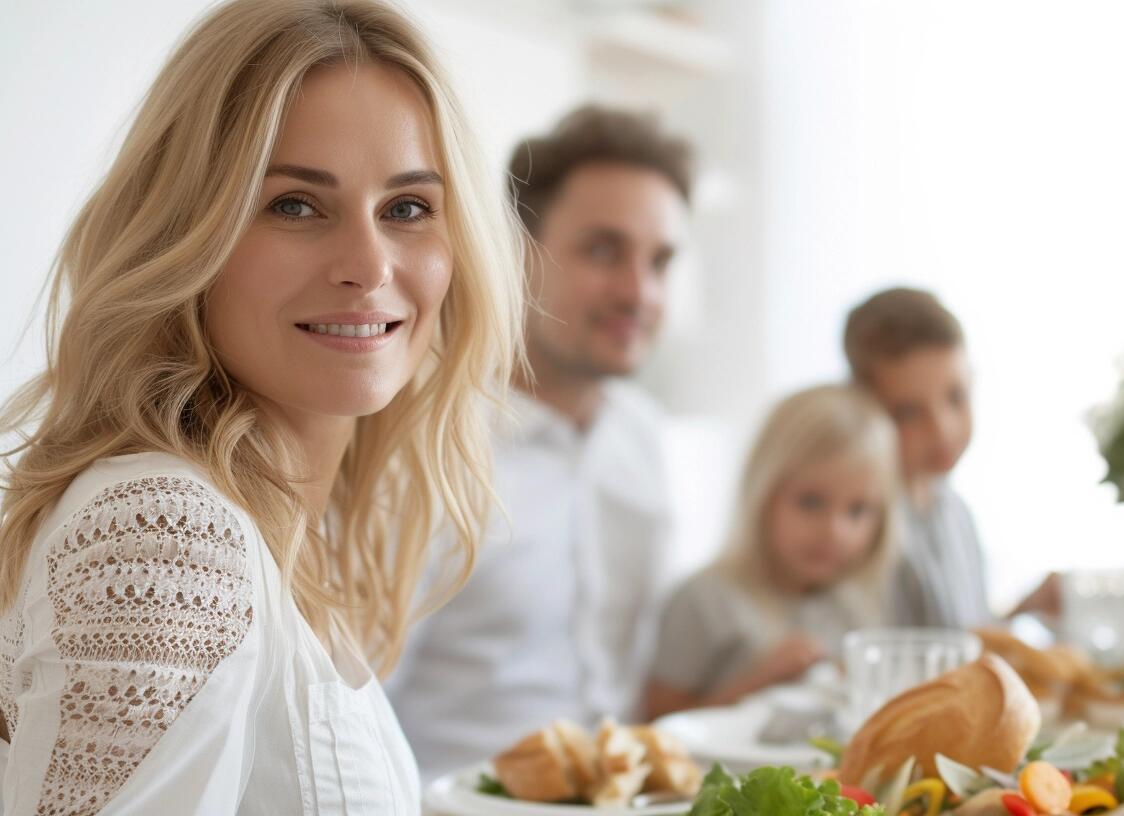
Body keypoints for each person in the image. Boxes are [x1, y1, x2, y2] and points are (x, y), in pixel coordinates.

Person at [0, 1, 523, 811]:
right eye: (294, 205)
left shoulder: (278, 523)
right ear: (186, 232)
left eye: (407, 208)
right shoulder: (167, 531)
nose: (369, 265)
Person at [388, 105, 692, 774]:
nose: (638, 291)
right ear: (514, 252)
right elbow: (355, 713)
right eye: (604, 250)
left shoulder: (641, 434)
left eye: (660, 261)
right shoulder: (424, 446)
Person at [643, 384, 900, 718]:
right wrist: (757, 682)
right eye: (811, 502)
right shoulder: (703, 600)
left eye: (858, 510)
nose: (835, 532)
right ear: (763, 494)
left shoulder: (857, 604)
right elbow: (658, 725)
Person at [842, 287, 1058, 628]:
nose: (942, 430)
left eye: (956, 398)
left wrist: (1026, 608)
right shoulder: (854, 524)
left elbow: (962, 644)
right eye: (908, 412)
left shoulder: (955, 512)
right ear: (864, 410)